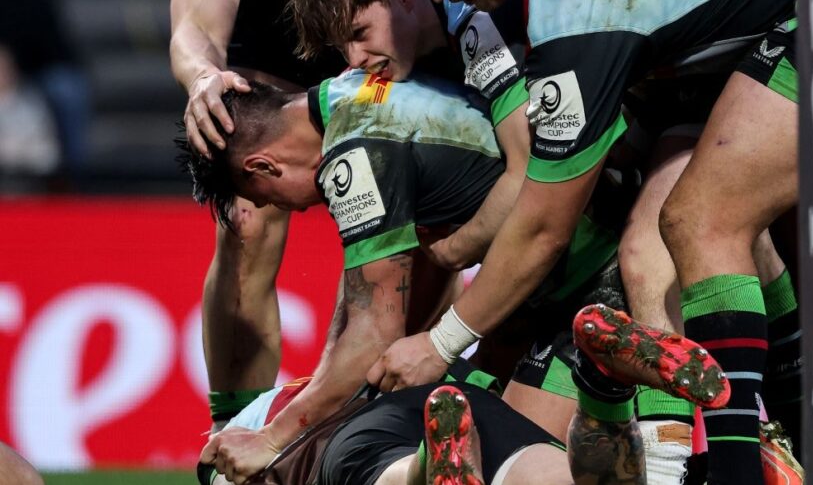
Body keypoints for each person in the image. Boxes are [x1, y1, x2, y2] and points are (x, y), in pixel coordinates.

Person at [172, 0, 766, 430]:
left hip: (546, 56)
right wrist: (201, 76)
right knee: (258, 219)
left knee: (639, 226)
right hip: (325, 15)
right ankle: (249, 421)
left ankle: (710, 415)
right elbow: (196, 22)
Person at [292, 0, 805, 477]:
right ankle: (766, 426)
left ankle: (711, 451)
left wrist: (455, 268)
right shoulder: (392, 70)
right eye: (341, 48)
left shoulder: (475, 24)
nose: (355, 58)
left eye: (360, 33)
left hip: (684, 96)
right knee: (511, 437)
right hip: (627, 143)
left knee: (665, 242)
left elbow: (529, 192)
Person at [378, 0, 797, 484]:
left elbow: (545, 227)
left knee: (703, 222)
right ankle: (738, 450)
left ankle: (758, 455)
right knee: (665, 242)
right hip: (773, 0)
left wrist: (442, 341)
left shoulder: (575, 14)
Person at [185, 73, 631, 481]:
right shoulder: (355, 88)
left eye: (265, 198)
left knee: (513, 463)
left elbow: (373, 336)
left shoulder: (352, 157)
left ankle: (611, 392)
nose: (290, 209)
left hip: (589, 288)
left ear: (263, 166)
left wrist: (271, 439)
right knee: (482, 424)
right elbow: (374, 301)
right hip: (558, 274)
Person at [199, 305, 759, 485]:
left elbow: (218, 460)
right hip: (462, 399)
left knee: (393, 475)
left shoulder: (244, 443)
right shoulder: (308, 389)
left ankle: (429, 462)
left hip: (357, 442)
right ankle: (603, 387)